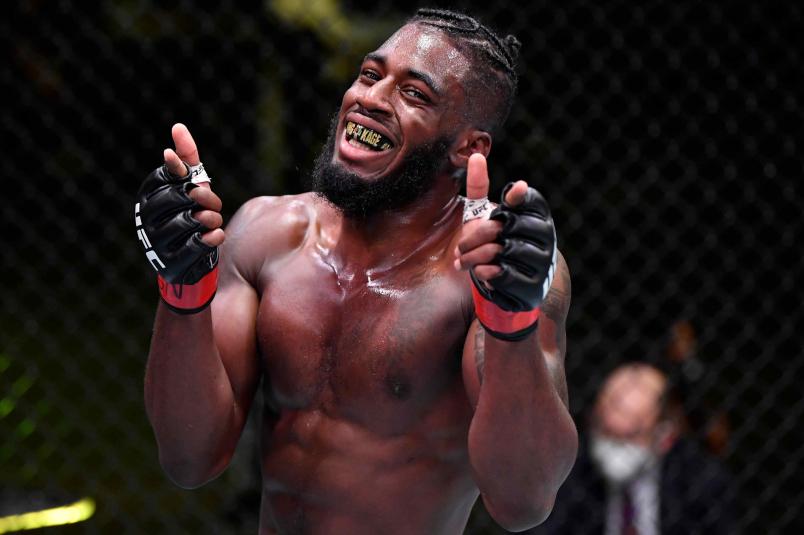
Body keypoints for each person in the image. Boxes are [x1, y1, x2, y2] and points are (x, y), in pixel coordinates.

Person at [136, 8, 577, 534]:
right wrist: (182, 292)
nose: (370, 98)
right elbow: (189, 459)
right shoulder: (265, 232)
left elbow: (523, 501)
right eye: (370, 75)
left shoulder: (487, 270)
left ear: (467, 147)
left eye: (414, 94)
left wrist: (511, 328)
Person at [531, 362, 734, 535]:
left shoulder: (699, 482)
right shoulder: (564, 478)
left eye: (631, 436)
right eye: (607, 433)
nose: (615, 449)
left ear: (665, 436)